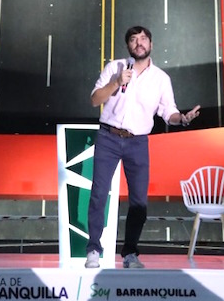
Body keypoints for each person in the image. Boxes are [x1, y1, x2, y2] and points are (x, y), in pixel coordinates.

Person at [85, 25, 201, 269]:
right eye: (134, 40)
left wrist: (182, 118)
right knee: (98, 194)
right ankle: (94, 249)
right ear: (128, 46)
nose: (139, 43)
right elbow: (95, 99)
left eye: (143, 39)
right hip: (108, 137)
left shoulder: (161, 79)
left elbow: (168, 112)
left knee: (138, 200)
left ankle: (130, 254)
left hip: (137, 142)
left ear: (151, 45)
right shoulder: (115, 68)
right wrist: (117, 82)